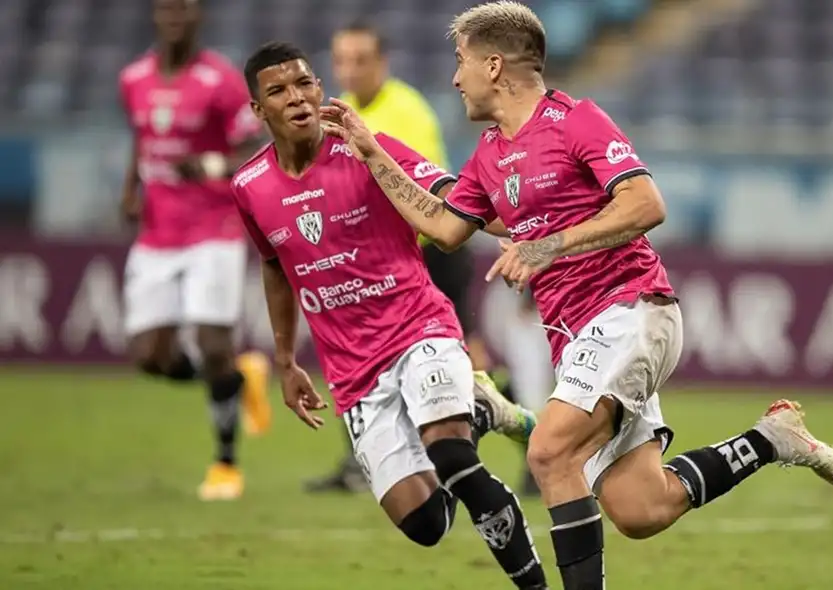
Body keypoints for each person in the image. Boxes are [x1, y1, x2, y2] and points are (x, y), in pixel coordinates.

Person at [320, 2, 833, 587]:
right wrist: (374, 154)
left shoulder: (576, 121)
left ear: (494, 66)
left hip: (631, 308)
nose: (455, 77)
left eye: (461, 61)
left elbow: (646, 204)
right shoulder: (490, 154)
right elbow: (445, 228)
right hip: (576, 335)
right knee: (641, 507)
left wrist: (549, 246)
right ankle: (770, 439)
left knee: (548, 451)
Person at [232, 41, 548, 589]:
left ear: (320, 89)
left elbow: (455, 199)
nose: (297, 98)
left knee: (452, 456)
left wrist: (539, 229)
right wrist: (284, 359)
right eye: (278, 91)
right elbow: (274, 264)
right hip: (354, 368)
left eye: (304, 84)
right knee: (425, 524)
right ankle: (480, 411)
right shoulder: (250, 187)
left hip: (419, 328)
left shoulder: (367, 147)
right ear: (259, 110)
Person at [304, 21, 504, 494]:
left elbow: (428, 196)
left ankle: (511, 419)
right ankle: (360, 461)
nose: (350, 70)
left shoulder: (407, 111)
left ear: (382, 62)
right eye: (342, 60)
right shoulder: (341, 111)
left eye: (360, 60)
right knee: (360, 352)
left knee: (467, 357)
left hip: (430, 255)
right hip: (373, 261)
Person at [118, 0, 271, 501]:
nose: (174, 17)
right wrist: (130, 189)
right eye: (167, 8)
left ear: (198, 16)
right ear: (155, 15)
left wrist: (208, 164)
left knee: (211, 341)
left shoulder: (221, 81)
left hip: (213, 226)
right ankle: (239, 378)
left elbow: (252, 148)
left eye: (183, 8)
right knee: (150, 357)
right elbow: (142, 138)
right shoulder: (133, 78)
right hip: (156, 232)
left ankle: (225, 464)